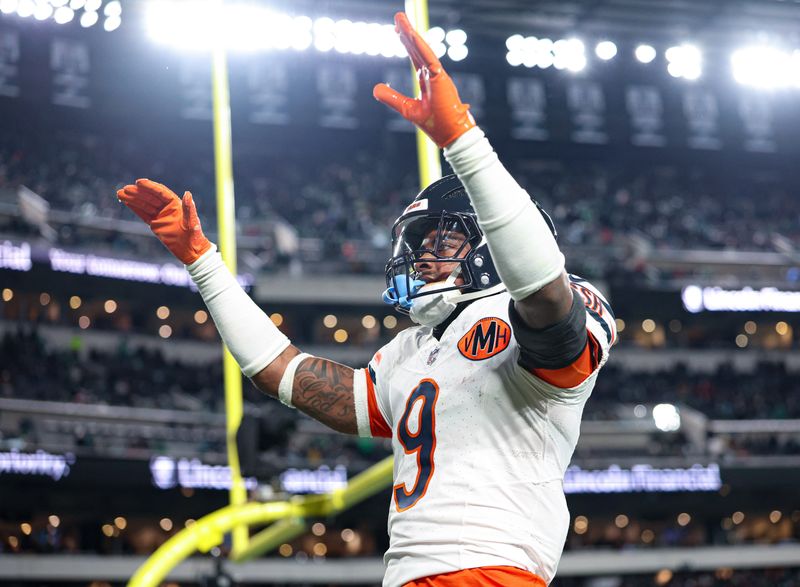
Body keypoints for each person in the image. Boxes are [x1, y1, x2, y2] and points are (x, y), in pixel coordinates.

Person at [117, 12, 616, 587]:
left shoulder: (541, 307)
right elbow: (281, 373)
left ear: (488, 245)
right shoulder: (412, 352)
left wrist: (463, 144)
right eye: (422, 245)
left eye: (444, 242)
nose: (425, 258)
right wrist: (204, 263)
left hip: (493, 570)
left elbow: (546, 300)